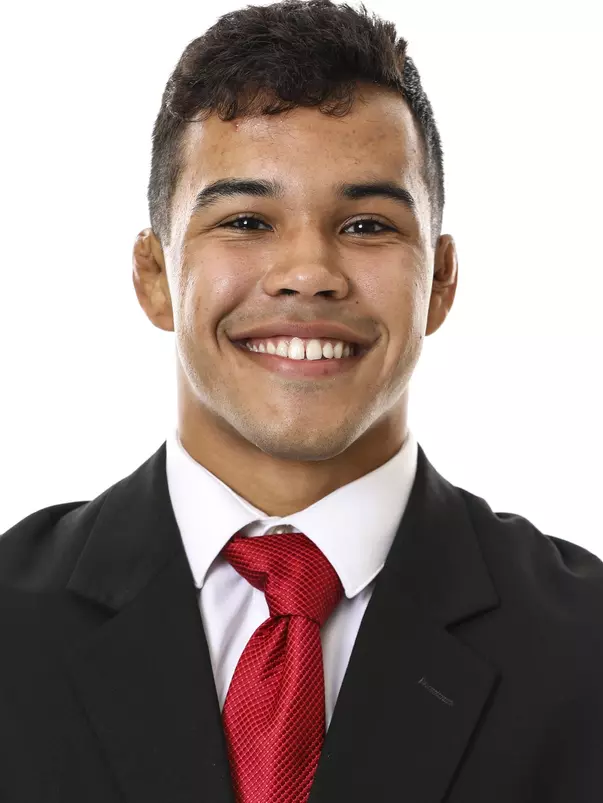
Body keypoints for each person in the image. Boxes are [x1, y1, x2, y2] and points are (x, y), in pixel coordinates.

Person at [1, 0, 602, 801]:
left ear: (441, 282)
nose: (307, 270)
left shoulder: (585, 648)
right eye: (246, 219)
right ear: (153, 277)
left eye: (365, 224)